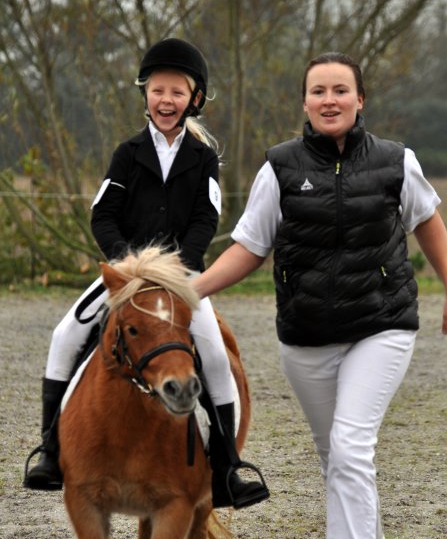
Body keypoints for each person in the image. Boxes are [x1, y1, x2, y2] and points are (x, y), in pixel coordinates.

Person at [191, 52, 447, 539]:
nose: (329, 100)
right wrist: (192, 289)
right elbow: (250, 246)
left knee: (350, 445)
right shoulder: (279, 166)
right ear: (305, 102)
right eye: (318, 90)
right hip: (307, 334)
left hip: (382, 324)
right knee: (334, 456)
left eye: (340, 89)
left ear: (359, 99)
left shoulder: (396, 161)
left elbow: (426, 220)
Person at [23, 37, 269, 511]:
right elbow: (102, 215)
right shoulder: (127, 153)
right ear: (146, 95)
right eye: (158, 90)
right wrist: (126, 265)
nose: (166, 100)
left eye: (177, 92)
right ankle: (50, 452)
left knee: (214, 355)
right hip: (127, 275)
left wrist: (181, 266)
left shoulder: (202, 159)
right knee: (65, 334)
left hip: (182, 278)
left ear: (194, 99)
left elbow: (206, 219)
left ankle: (228, 467)